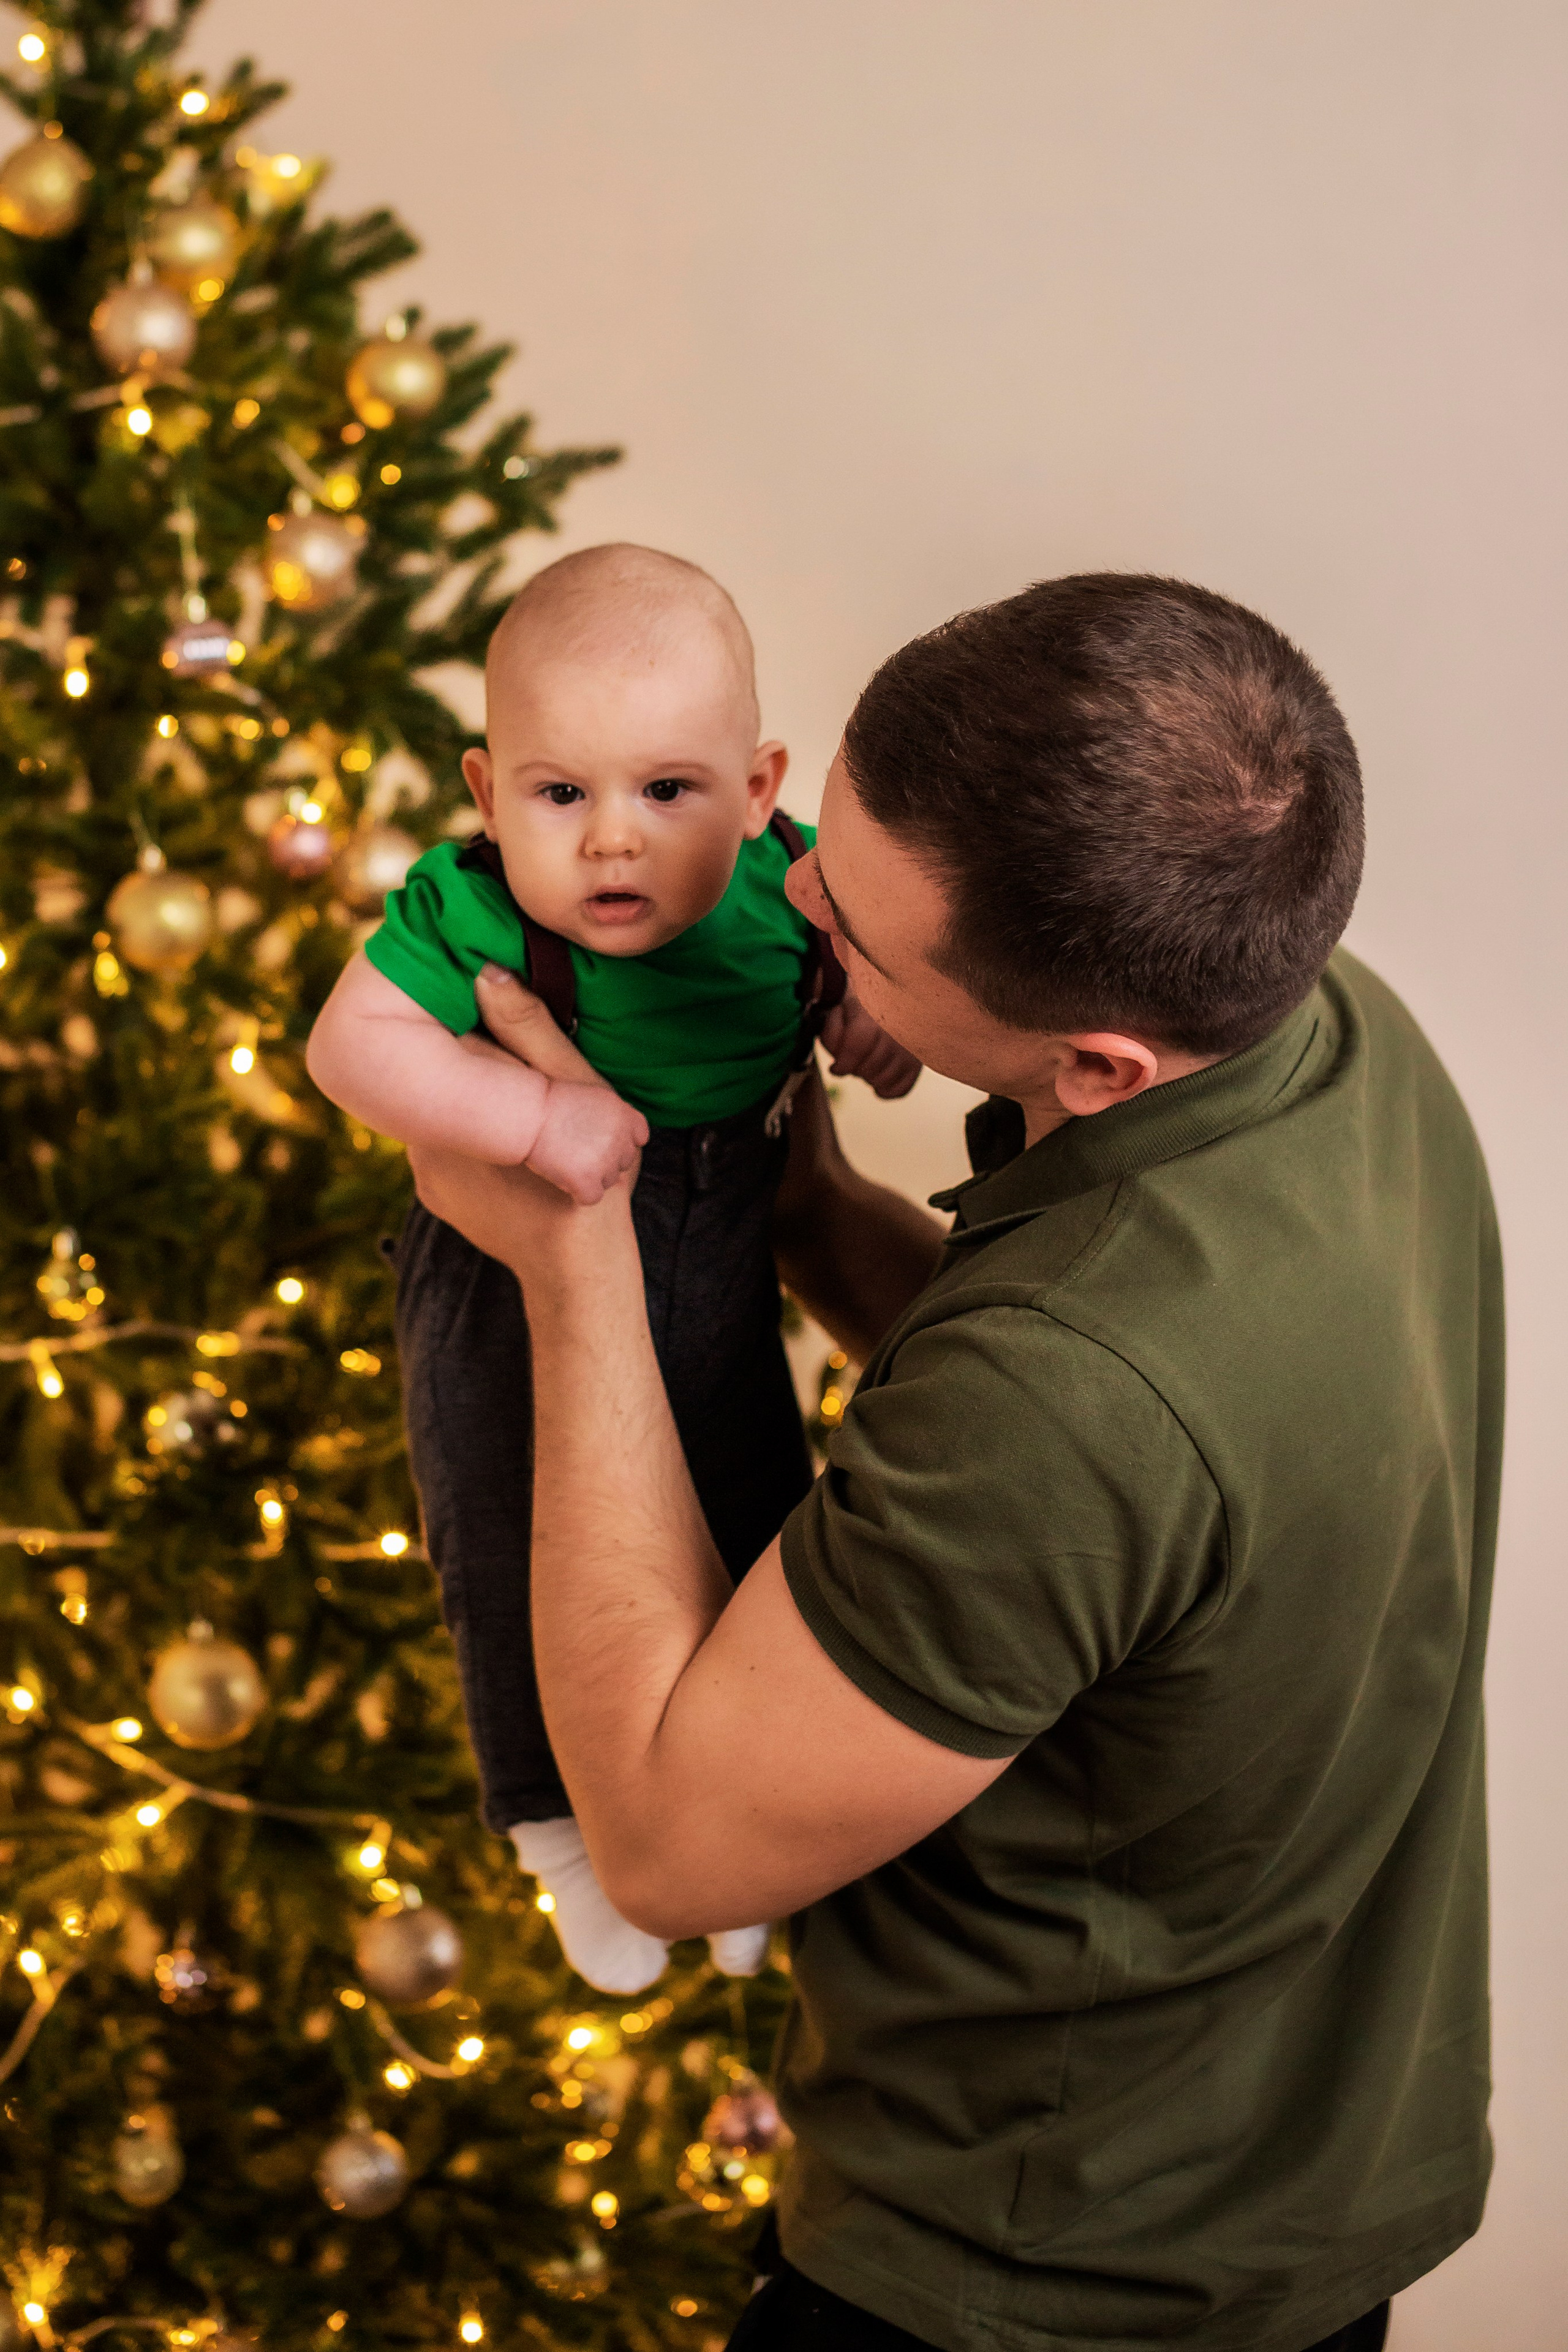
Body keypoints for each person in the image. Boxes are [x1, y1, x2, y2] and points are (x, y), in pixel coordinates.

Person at [407, 574, 1500, 2352]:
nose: (797, 904)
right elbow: (1140, 1497)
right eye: (821, 846)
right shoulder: (1333, 1031)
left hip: (1028, 2276)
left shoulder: (1072, 1401)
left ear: (1097, 1063)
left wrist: (574, 1268)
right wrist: (819, 1209)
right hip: (1301, 2183)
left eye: (864, 939)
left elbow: (675, 1852)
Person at [306, 544, 919, 1992]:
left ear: (759, 790)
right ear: (483, 796)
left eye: (666, 791)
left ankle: (730, 1810)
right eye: (558, 794)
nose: (611, 844)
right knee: (505, 1522)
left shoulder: (799, 884)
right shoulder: (470, 910)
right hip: (507, 1268)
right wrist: (532, 1113)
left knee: (751, 1499)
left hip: (717, 1244)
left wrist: (869, 1028)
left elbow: (860, 987)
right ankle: (552, 1825)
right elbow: (350, 1048)